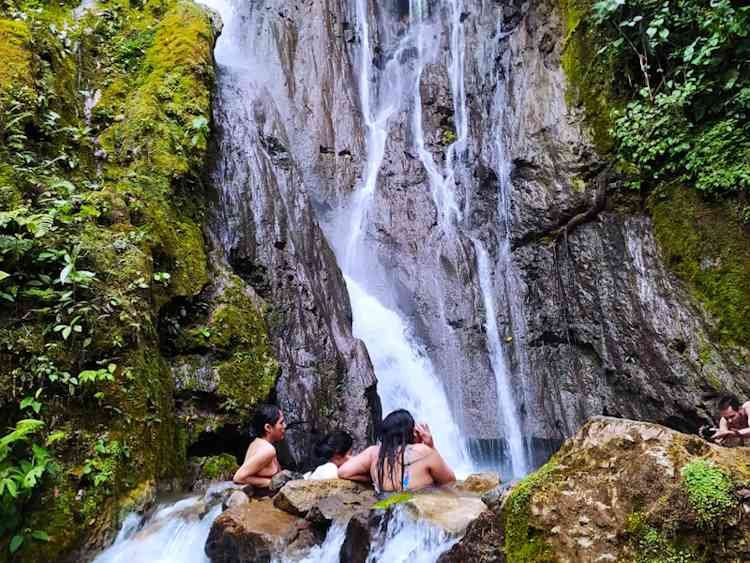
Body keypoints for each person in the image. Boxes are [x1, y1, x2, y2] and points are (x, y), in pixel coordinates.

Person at [337, 409, 455, 493]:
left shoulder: (374, 452)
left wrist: (371, 478)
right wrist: (431, 446)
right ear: (412, 432)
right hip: (418, 511)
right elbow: (449, 482)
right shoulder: (423, 451)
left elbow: (343, 472)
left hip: (387, 509)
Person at [233, 404, 286, 487]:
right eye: (281, 423)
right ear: (268, 427)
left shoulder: (255, 443)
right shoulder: (268, 450)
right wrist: (271, 483)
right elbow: (238, 477)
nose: (285, 426)